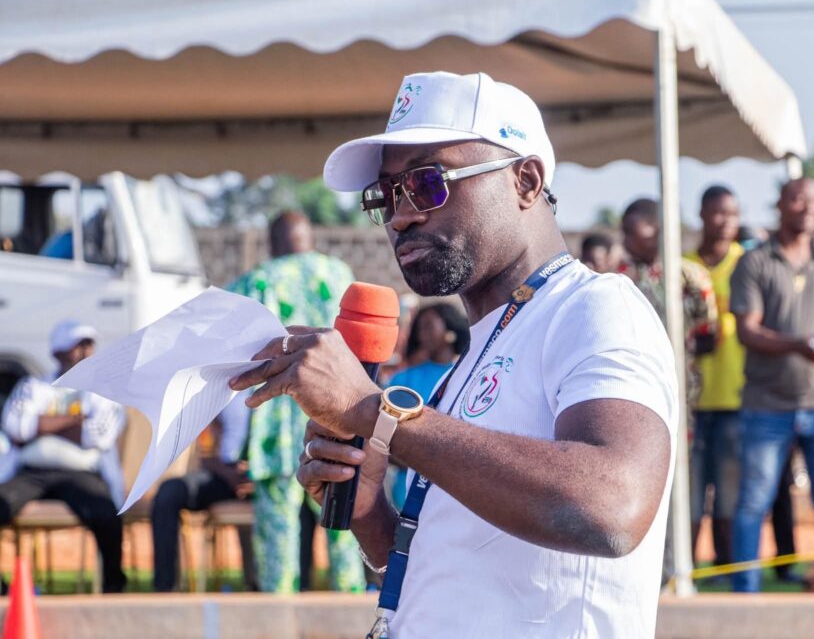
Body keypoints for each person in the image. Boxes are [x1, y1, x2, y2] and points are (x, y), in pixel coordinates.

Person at [230, 70, 677, 638]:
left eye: (427, 183)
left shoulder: (595, 307)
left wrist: (374, 412)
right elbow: (456, 577)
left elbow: (612, 507)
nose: (401, 216)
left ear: (525, 181)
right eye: (386, 195)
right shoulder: (478, 352)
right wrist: (368, 510)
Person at [730, 177, 814, 593]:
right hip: (766, 405)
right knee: (753, 504)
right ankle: (744, 596)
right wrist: (797, 345)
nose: (807, 207)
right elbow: (747, 331)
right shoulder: (755, 262)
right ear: (780, 205)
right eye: (797, 199)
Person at [227, 210, 364, 593]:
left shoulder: (259, 280)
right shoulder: (340, 274)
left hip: (278, 424)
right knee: (342, 523)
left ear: (273, 243)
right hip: (338, 415)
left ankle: (280, 607)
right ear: (309, 238)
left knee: (279, 531)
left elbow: (226, 329)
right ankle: (349, 605)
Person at [620, 196, 717, 588]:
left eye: (634, 230)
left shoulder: (690, 276)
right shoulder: (619, 277)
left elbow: (709, 335)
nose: (626, 240)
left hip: (681, 398)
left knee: (680, 481)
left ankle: (677, 566)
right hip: (632, 393)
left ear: (658, 229)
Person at [0, 320, 126, 592]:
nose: (85, 352)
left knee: (105, 512)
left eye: (89, 345)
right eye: (77, 346)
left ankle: (113, 587)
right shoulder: (33, 386)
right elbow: (15, 427)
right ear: (58, 353)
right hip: (32, 472)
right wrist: (74, 421)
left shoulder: (102, 390)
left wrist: (41, 425)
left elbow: (99, 436)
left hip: (81, 473)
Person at [683, 184, 744, 573]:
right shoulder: (681, 264)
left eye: (733, 214)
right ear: (702, 215)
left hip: (735, 395)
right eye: (719, 212)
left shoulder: (748, 263)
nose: (725, 221)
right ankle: (686, 568)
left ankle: (727, 569)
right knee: (689, 491)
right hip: (690, 401)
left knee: (729, 491)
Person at [150, 396, 256, 592]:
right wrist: (229, 475)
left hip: (269, 476)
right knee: (169, 492)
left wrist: (257, 478)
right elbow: (205, 451)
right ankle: (165, 589)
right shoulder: (225, 389)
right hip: (223, 473)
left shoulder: (283, 390)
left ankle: (269, 584)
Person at [385, 303, 469, 509]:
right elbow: (382, 434)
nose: (423, 334)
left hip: (456, 495)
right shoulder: (403, 379)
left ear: (449, 330)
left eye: (429, 326)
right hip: (406, 491)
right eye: (420, 328)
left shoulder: (467, 376)